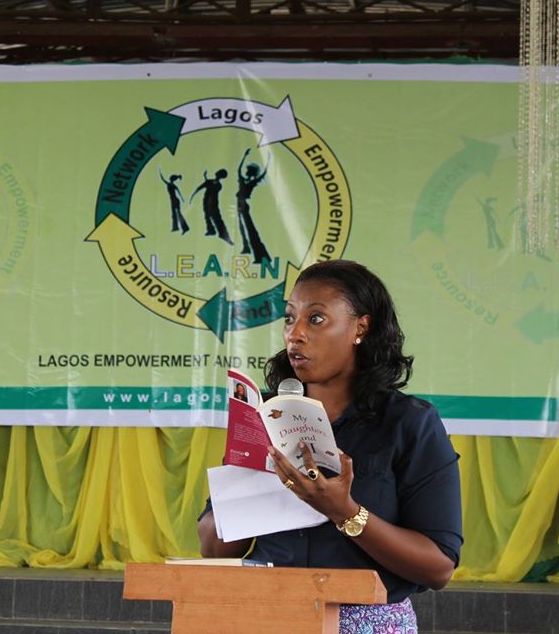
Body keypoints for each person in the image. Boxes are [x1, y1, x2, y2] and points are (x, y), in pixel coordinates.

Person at [198, 259, 463, 633]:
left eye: (316, 319)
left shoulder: (409, 424)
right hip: (265, 618)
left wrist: (345, 512)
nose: (295, 334)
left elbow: (438, 568)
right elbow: (213, 548)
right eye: (290, 319)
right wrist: (250, 485)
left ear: (360, 327)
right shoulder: (264, 415)